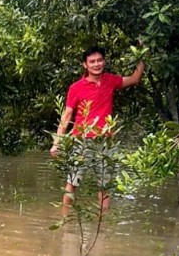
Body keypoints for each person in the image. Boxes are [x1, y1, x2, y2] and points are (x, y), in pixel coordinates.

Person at [50, 46, 144, 209]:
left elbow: (135, 78)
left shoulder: (110, 80)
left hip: (105, 142)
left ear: (104, 62)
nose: (96, 64)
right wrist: (56, 143)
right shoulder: (76, 87)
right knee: (72, 183)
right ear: (85, 65)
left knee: (105, 186)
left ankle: (103, 229)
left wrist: (142, 53)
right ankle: (65, 224)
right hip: (82, 141)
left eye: (99, 60)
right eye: (92, 61)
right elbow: (66, 116)